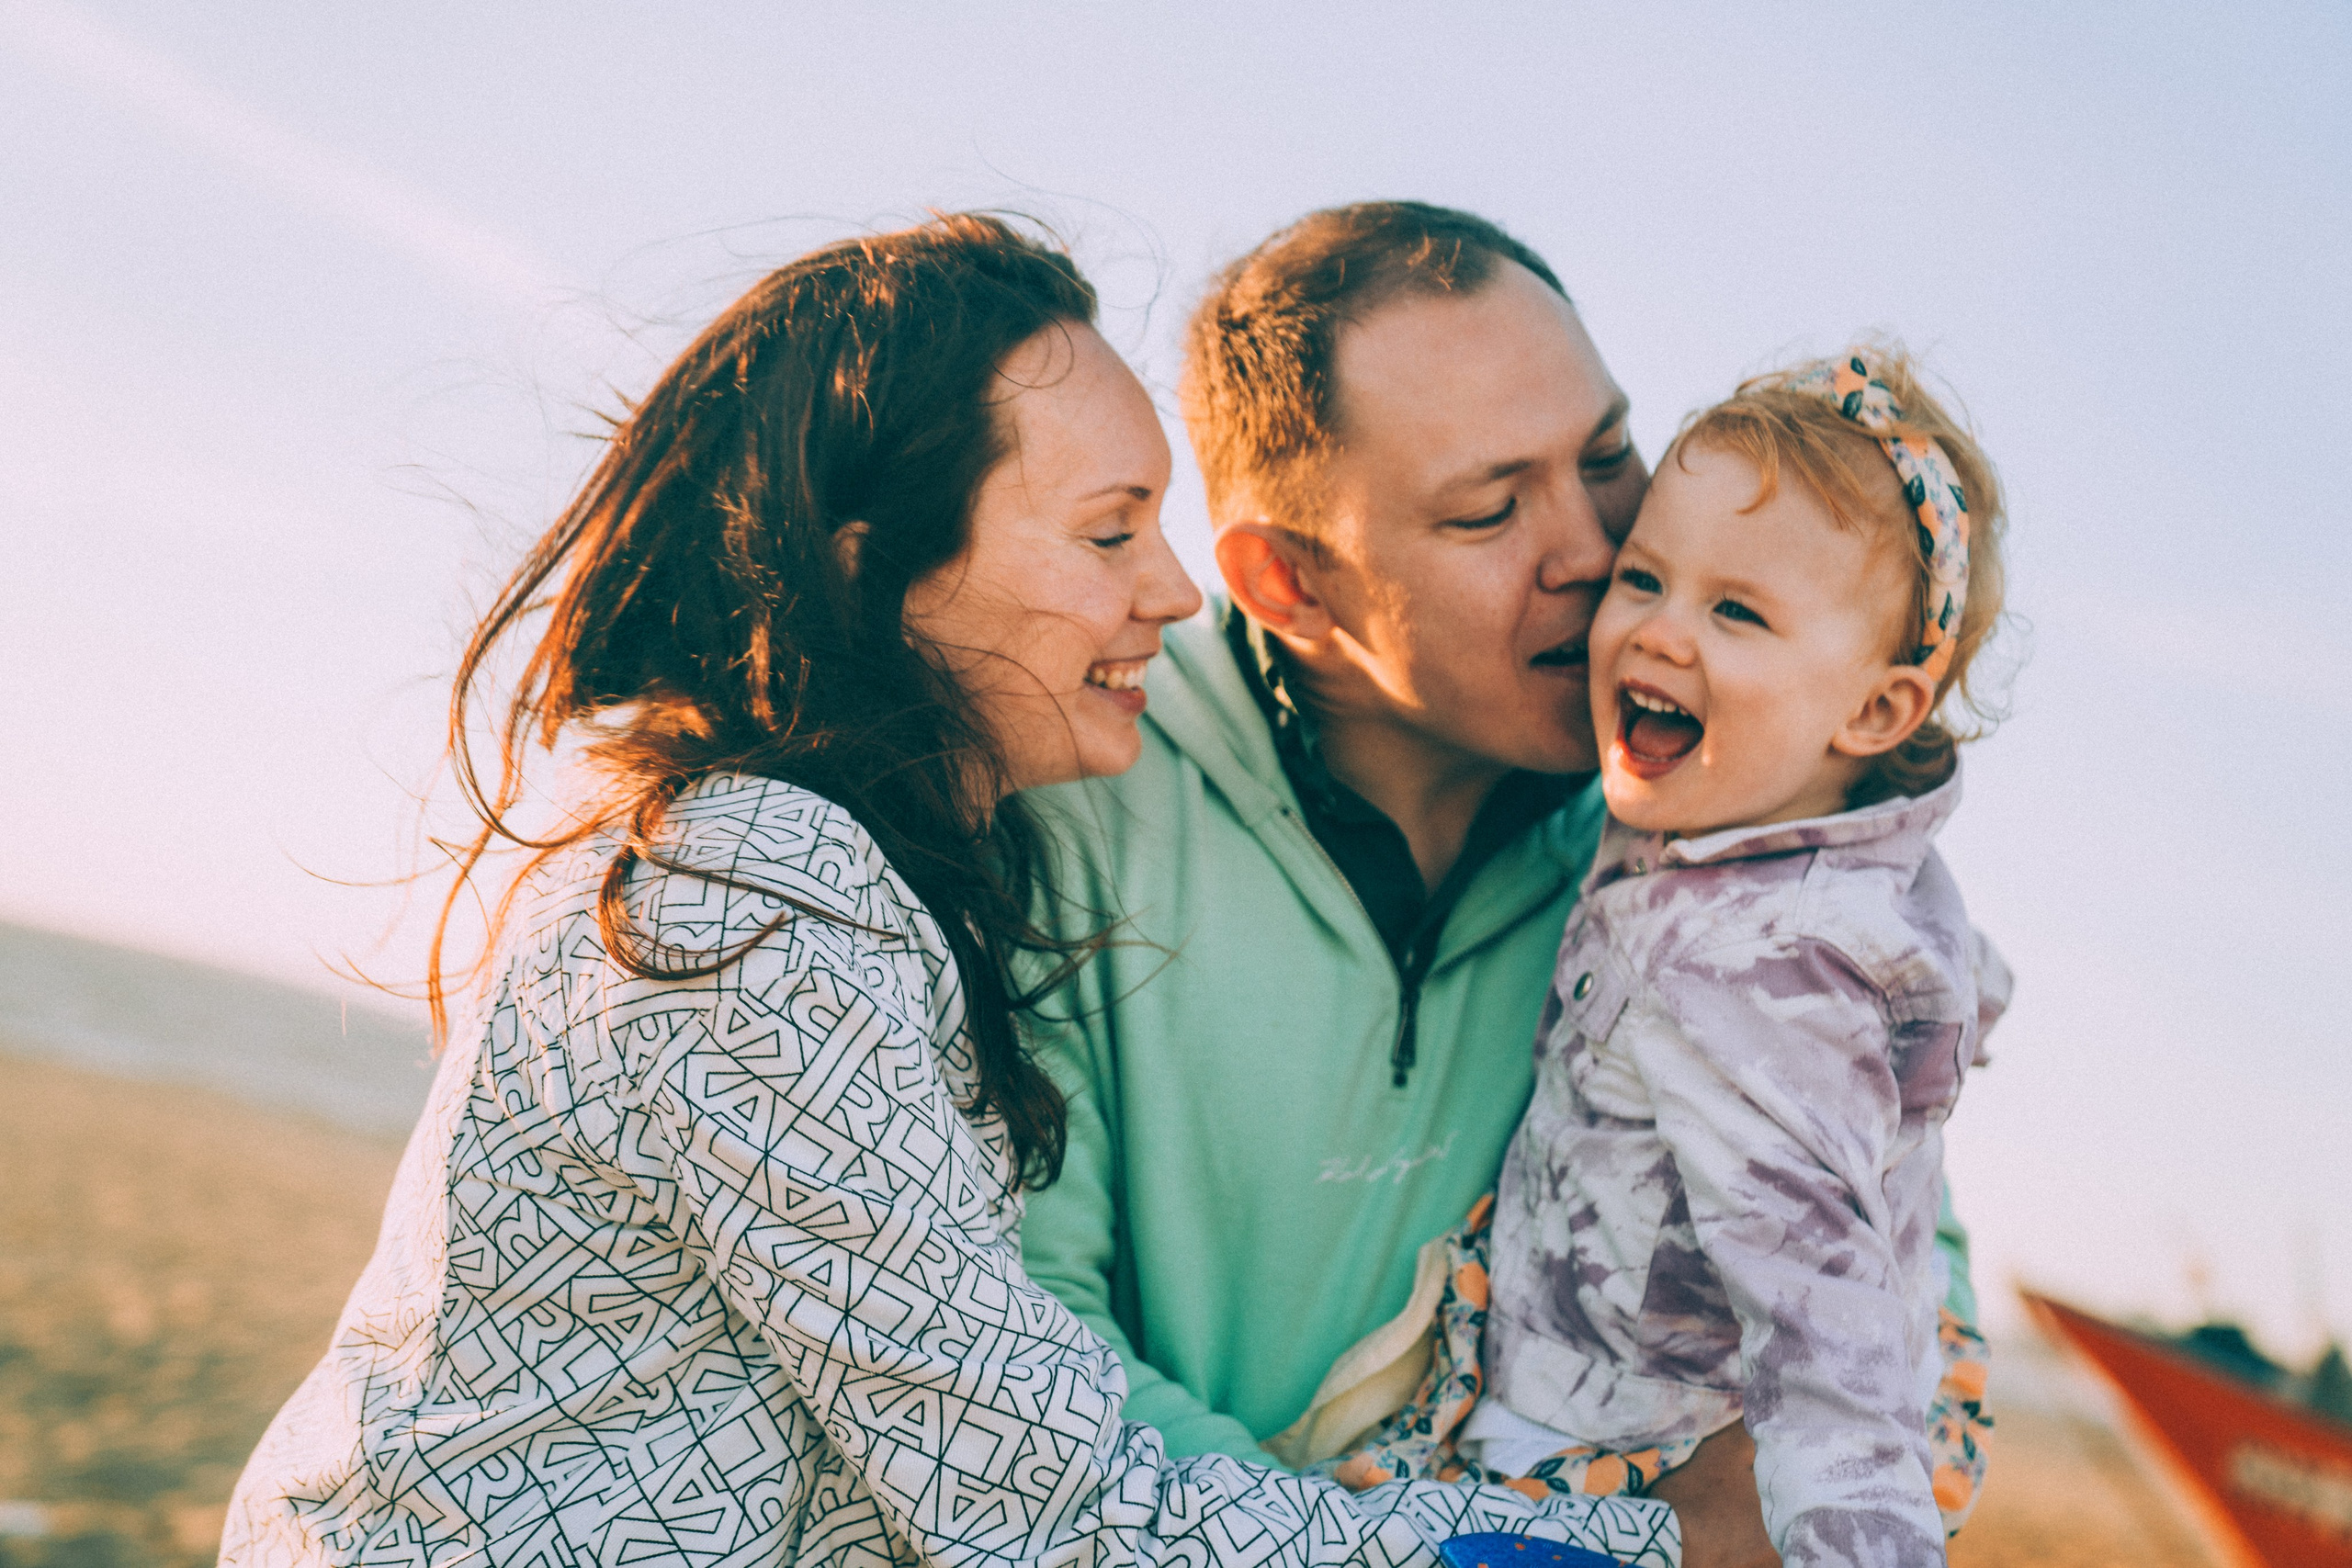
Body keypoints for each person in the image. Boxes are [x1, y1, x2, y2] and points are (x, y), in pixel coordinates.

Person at [220, 213, 1676, 1568]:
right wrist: (1642, 1550)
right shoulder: (753, 900)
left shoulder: (877, 879)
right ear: (882, 575)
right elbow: (1040, 1505)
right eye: (1111, 532)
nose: (1172, 596)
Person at [1021, 205, 1989, 1566]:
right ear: (1289, 583)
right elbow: (1018, 1353)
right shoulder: (1073, 794)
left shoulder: (1724, 836)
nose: (1595, 551)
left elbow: (1896, 1264)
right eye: (1489, 509)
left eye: (1607, 457)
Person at [1322, 349, 2011, 1567]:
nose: (1655, 629)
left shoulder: (1759, 970)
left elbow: (1826, 1339)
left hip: (1625, 1461)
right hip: (1599, 1384)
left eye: (1736, 610)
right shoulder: (1759, 849)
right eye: (1645, 577)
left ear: (1875, 713)